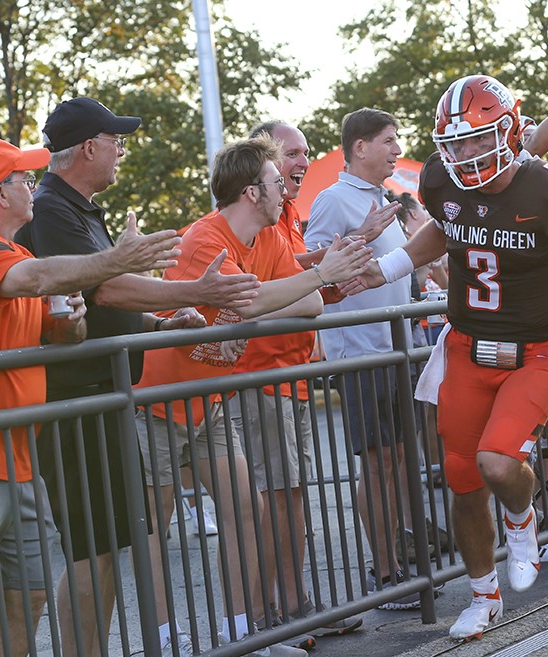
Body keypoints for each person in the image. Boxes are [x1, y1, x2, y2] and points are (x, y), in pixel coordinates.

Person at [344, 76, 548, 641]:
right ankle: (484, 596)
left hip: (535, 354)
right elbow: (447, 229)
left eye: (477, 140)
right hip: (465, 350)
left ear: (510, 133)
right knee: (463, 479)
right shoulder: (443, 182)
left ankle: (521, 516)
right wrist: (385, 270)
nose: (463, 155)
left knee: (496, 463)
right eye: (455, 145)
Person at [0, 137, 182, 657]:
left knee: (30, 597)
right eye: (22, 179)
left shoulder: (16, 255)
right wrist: (115, 260)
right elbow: (35, 278)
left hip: (14, 460)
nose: (32, 186)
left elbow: (60, 331)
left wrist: (68, 324)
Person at [15, 97, 260, 657]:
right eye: (115, 140)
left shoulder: (75, 208)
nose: (122, 150)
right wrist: (195, 291)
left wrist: (160, 320)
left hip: (102, 396)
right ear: (87, 149)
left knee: (103, 549)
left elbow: (107, 304)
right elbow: (102, 289)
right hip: (76, 400)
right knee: (90, 551)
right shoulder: (52, 208)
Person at [136, 134, 369, 655]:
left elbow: (307, 304)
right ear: (250, 193)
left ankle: (244, 637)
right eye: (273, 182)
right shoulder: (204, 240)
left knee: (248, 509)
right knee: (156, 524)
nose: (284, 191)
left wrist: (270, 298)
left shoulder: (268, 240)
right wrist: (285, 290)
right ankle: (164, 642)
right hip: (159, 401)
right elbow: (258, 299)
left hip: (209, 401)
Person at [233, 120, 365, 640]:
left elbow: (301, 286)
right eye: (292, 153)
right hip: (263, 378)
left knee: (292, 496)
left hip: (294, 375)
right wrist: (321, 277)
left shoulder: (285, 215)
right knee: (273, 499)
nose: (303, 162)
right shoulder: (257, 219)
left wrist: (337, 262)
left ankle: (295, 605)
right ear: (263, 165)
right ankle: (272, 617)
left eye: (307, 152)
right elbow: (278, 293)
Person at [302, 108, 420, 610]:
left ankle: (398, 559)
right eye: (389, 141)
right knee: (377, 465)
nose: (397, 149)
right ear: (360, 148)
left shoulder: (382, 200)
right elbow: (312, 271)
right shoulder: (332, 199)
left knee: (396, 461)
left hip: (398, 348)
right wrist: (365, 236)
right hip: (361, 353)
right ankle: (386, 573)